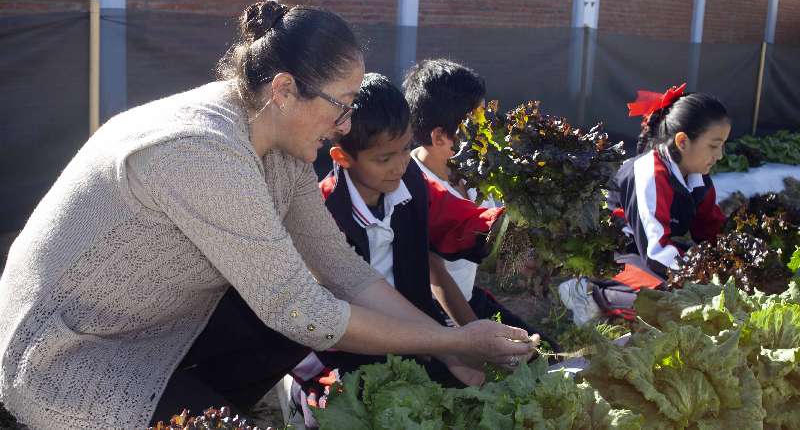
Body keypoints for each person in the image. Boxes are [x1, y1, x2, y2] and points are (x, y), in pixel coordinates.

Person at [0, 0, 534, 429]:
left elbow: (342, 270)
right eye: (342, 104)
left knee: (290, 316)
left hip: (156, 334)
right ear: (283, 89)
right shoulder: (200, 150)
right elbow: (303, 310)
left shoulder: (276, 142)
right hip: (67, 355)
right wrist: (452, 339)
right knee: (293, 317)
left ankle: (203, 399)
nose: (347, 125)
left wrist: (451, 351)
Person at [283, 73, 535, 428]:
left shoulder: (414, 184)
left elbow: (460, 221)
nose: (400, 165)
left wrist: (516, 239)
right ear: (342, 157)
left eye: (404, 150)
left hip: (422, 335)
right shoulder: (322, 213)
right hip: (347, 348)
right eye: (384, 158)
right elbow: (320, 313)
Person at [404, 59, 557, 345]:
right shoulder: (414, 188)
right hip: (435, 316)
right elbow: (438, 280)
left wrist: (524, 257)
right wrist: (475, 340)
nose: (488, 131)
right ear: (440, 138)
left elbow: (499, 234)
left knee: (547, 353)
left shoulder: (478, 172)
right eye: (477, 126)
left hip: (469, 298)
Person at [562, 83, 729, 322]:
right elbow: (655, 251)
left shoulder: (697, 177)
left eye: (723, 145)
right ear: (682, 142)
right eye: (714, 146)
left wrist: (730, 264)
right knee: (673, 301)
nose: (719, 155)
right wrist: (699, 277)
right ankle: (589, 293)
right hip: (614, 258)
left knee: (696, 293)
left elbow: (711, 229)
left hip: (644, 254)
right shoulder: (648, 173)